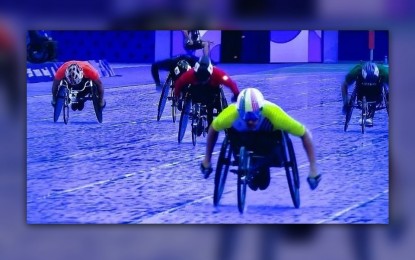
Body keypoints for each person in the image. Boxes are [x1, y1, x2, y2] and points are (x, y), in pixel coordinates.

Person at [200, 88, 321, 191]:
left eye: (253, 118)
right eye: (247, 119)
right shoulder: (230, 114)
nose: (250, 121)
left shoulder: (274, 114)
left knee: (263, 184)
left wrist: (313, 169)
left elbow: (304, 134)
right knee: (258, 184)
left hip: (267, 147)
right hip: (242, 143)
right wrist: (207, 159)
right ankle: (250, 167)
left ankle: (259, 168)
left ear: (261, 111)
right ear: (239, 112)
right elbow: (213, 129)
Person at [173, 55, 240, 135]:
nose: (202, 80)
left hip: (211, 95)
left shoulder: (218, 73)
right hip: (198, 94)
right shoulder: (190, 74)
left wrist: (177, 94)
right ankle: (210, 120)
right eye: (200, 77)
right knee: (211, 99)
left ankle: (214, 123)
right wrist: (236, 94)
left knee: (217, 102)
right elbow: (179, 83)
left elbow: (230, 82)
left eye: (205, 78)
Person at [341, 61, 389, 127]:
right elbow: (344, 85)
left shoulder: (384, 72)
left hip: (377, 92)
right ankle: (368, 116)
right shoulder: (356, 71)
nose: (369, 83)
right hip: (361, 91)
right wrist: (345, 102)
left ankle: (370, 115)